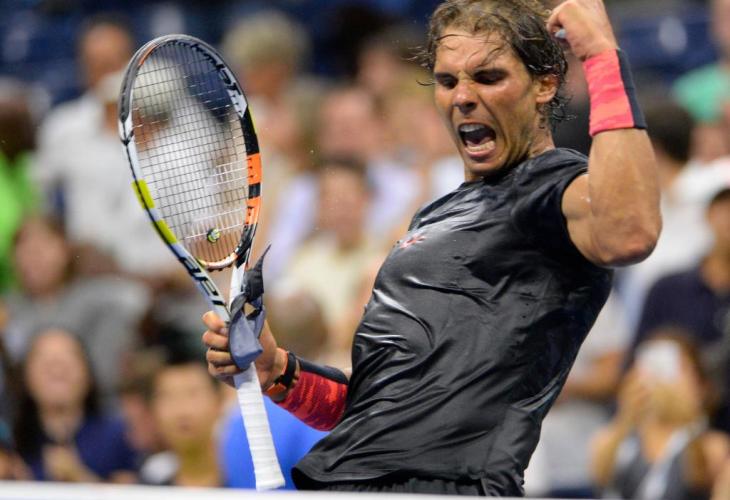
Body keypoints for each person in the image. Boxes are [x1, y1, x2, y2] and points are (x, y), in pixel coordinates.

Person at [203, 0, 661, 495]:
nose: (462, 97)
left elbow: (629, 230)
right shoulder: (433, 217)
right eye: (446, 81)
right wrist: (279, 372)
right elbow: (375, 408)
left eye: (488, 77)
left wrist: (601, 57)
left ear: (544, 85)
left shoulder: (554, 187)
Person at [591, 332, 729, 500]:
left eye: (676, 368)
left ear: (700, 384)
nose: (663, 380)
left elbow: (710, 481)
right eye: (653, 367)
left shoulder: (714, 447)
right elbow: (601, 474)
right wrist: (626, 414)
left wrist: (689, 415)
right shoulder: (613, 441)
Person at [13, 328, 137, 482]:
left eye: (67, 360)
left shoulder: (123, 436)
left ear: (88, 373)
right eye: (45, 362)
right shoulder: (11, 441)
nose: (57, 370)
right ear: (25, 375)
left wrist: (79, 477)